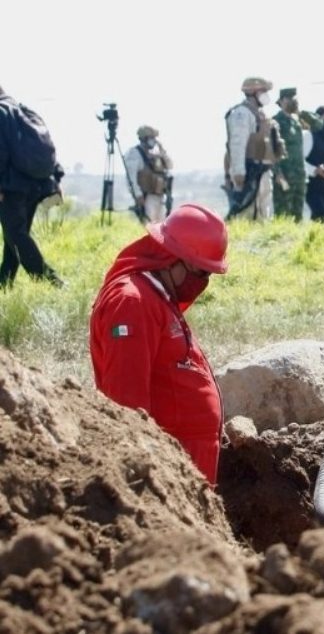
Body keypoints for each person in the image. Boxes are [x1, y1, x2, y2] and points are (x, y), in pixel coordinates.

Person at [89, 204, 229, 486]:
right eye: (202, 273)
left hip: (188, 465)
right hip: (166, 475)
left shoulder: (158, 297)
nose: (203, 283)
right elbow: (126, 402)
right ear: (175, 258)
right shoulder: (133, 303)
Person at [0, 86, 64, 288]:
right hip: (36, 184)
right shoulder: (22, 110)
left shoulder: (2, 112)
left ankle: (52, 282)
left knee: (16, 236)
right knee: (16, 237)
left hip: (12, 187)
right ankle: (4, 284)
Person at [225, 76, 284, 221]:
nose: (266, 96)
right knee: (246, 212)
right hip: (249, 171)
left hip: (263, 170)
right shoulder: (241, 114)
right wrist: (239, 172)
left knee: (264, 212)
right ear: (253, 93)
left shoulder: (261, 114)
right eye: (263, 91)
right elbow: (237, 144)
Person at [124, 125, 173, 224]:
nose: (154, 140)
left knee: (161, 227)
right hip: (146, 198)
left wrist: (163, 152)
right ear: (144, 138)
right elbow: (131, 178)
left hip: (160, 196)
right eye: (152, 138)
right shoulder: (134, 153)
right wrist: (138, 195)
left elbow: (170, 165)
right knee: (148, 227)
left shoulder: (154, 154)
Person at [272, 87, 306, 221]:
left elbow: (318, 124)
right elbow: (271, 149)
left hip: (299, 175)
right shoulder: (276, 122)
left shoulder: (296, 122)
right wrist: (277, 173)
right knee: (283, 214)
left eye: (295, 98)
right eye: (290, 98)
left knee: (298, 214)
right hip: (284, 174)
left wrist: (301, 113)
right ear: (281, 101)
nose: (294, 101)